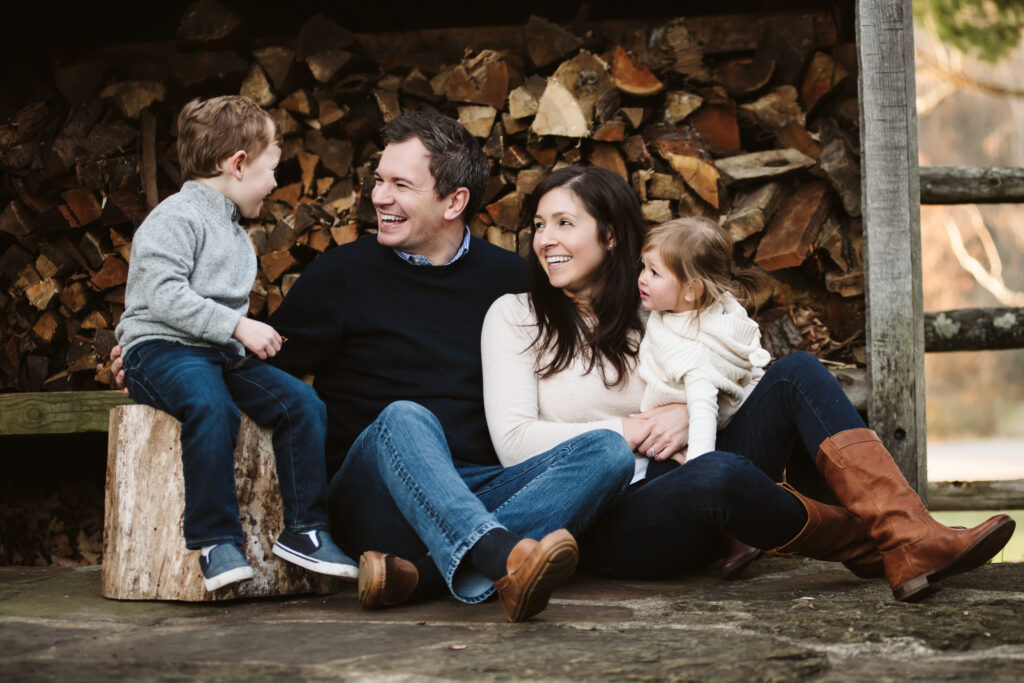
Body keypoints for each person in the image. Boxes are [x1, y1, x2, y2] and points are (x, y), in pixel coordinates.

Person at [482, 165, 1015, 602]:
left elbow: (736, 380)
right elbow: (513, 444)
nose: (545, 238)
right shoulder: (514, 317)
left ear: (611, 234)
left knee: (796, 372)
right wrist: (633, 427)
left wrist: (694, 411)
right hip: (613, 522)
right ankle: (879, 544)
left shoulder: (658, 308)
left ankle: (910, 532)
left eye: (563, 223)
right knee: (718, 472)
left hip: (700, 474)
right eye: (539, 224)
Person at [258, 111, 636, 621]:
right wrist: (164, 359)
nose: (379, 197)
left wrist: (680, 410)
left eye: (400, 185)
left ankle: (425, 575)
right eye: (379, 181)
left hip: (477, 488)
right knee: (406, 417)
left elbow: (604, 331)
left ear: (455, 201)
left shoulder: (511, 280)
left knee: (608, 450)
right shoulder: (341, 274)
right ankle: (501, 559)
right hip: (374, 496)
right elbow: (260, 362)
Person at [114, 96, 356, 591]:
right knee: (210, 405)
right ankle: (215, 540)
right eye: (271, 169)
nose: (274, 182)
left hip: (218, 355)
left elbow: (219, 321)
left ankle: (305, 530)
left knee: (302, 403)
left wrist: (237, 335)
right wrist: (238, 325)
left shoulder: (235, 235)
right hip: (159, 350)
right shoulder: (175, 217)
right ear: (238, 163)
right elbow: (162, 294)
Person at [636, 217, 773, 578]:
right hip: (679, 428)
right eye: (643, 267)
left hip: (699, 436)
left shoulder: (695, 352)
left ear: (691, 290)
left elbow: (703, 407)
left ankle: (735, 537)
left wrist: (698, 467)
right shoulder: (707, 311)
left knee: (671, 484)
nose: (642, 278)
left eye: (653, 272)